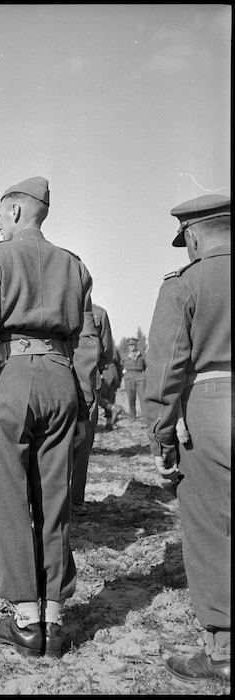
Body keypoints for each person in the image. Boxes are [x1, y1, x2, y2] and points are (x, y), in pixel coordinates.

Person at [0, 176, 99, 658]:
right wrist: (82, 405)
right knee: (54, 499)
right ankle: (54, 620)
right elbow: (86, 344)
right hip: (61, 381)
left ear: (15, 213)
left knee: (7, 499)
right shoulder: (74, 265)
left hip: (11, 380)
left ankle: (25, 619)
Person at [144, 194, 230, 683]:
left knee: (210, 529)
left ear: (193, 236)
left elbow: (167, 368)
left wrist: (162, 437)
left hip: (212, 404)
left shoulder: (186, 282)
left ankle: (222, 652)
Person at [71, 302, 116, 515]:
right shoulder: (98, 313)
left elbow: (107, 354)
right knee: (82, 444)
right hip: (86, 382)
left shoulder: (97, 313)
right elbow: (105, 354)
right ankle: (75, 501)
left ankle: (64, 502)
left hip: (67, 380)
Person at [98, 344, 123, 431]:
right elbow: (119, 364)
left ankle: (112, 410)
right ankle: (109, 423)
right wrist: (119, 379)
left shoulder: (97, 345)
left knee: (99, 397)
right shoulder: (113, 347)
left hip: (104, 373)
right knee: (110, 398)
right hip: (114, 372)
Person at [122, 337, 146, 420]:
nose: (131, 347)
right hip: (129, 377)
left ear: (136, 345)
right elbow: (120, 366)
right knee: (131, 398)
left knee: (143, 397)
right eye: (129, 345)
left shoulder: (141, 355)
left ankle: (146, 417)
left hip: (140, 376)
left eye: (133, 345)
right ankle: (132, 416)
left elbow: (146, 367)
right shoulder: (125, 356)